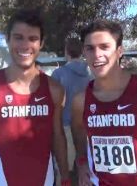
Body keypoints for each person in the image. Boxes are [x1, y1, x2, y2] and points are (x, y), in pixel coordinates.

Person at [71, 20, 137, 186]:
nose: (97, 54)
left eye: (104, 47)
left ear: (119, 51)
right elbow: (78, 130)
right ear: (84, 53)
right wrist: (81, 161)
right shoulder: (81, 100)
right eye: (90, 48)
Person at [0, 9, 70, 186]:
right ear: (7, 39)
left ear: (41, 43)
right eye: (18, 37)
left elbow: (58, 137)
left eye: (33, 39)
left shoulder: (54, 89)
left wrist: (66, 177)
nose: (25, 45)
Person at [51, 38, 92, 183]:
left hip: (65, 127)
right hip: (86, 128)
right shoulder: (90, 75)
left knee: (63, 172)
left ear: (66, 52)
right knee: (86, 170)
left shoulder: (58, 74)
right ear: (81, 52)